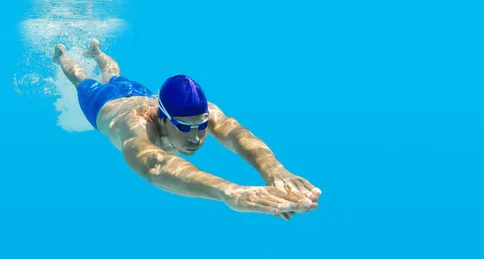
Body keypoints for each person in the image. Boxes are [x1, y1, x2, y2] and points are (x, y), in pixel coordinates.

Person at [51, 38, 321, 220]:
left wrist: (273, 169)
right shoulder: (135, 126)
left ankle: (96, 52)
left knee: (114, 74)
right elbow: (154, 166)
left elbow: (236, 132)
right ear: (163, 118)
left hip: (137, 92)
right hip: (102, 103)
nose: (195, 137)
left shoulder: (203, 110)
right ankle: (62, 55)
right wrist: (229, 191)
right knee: (80, 77)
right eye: (183, 126)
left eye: (201, 125)